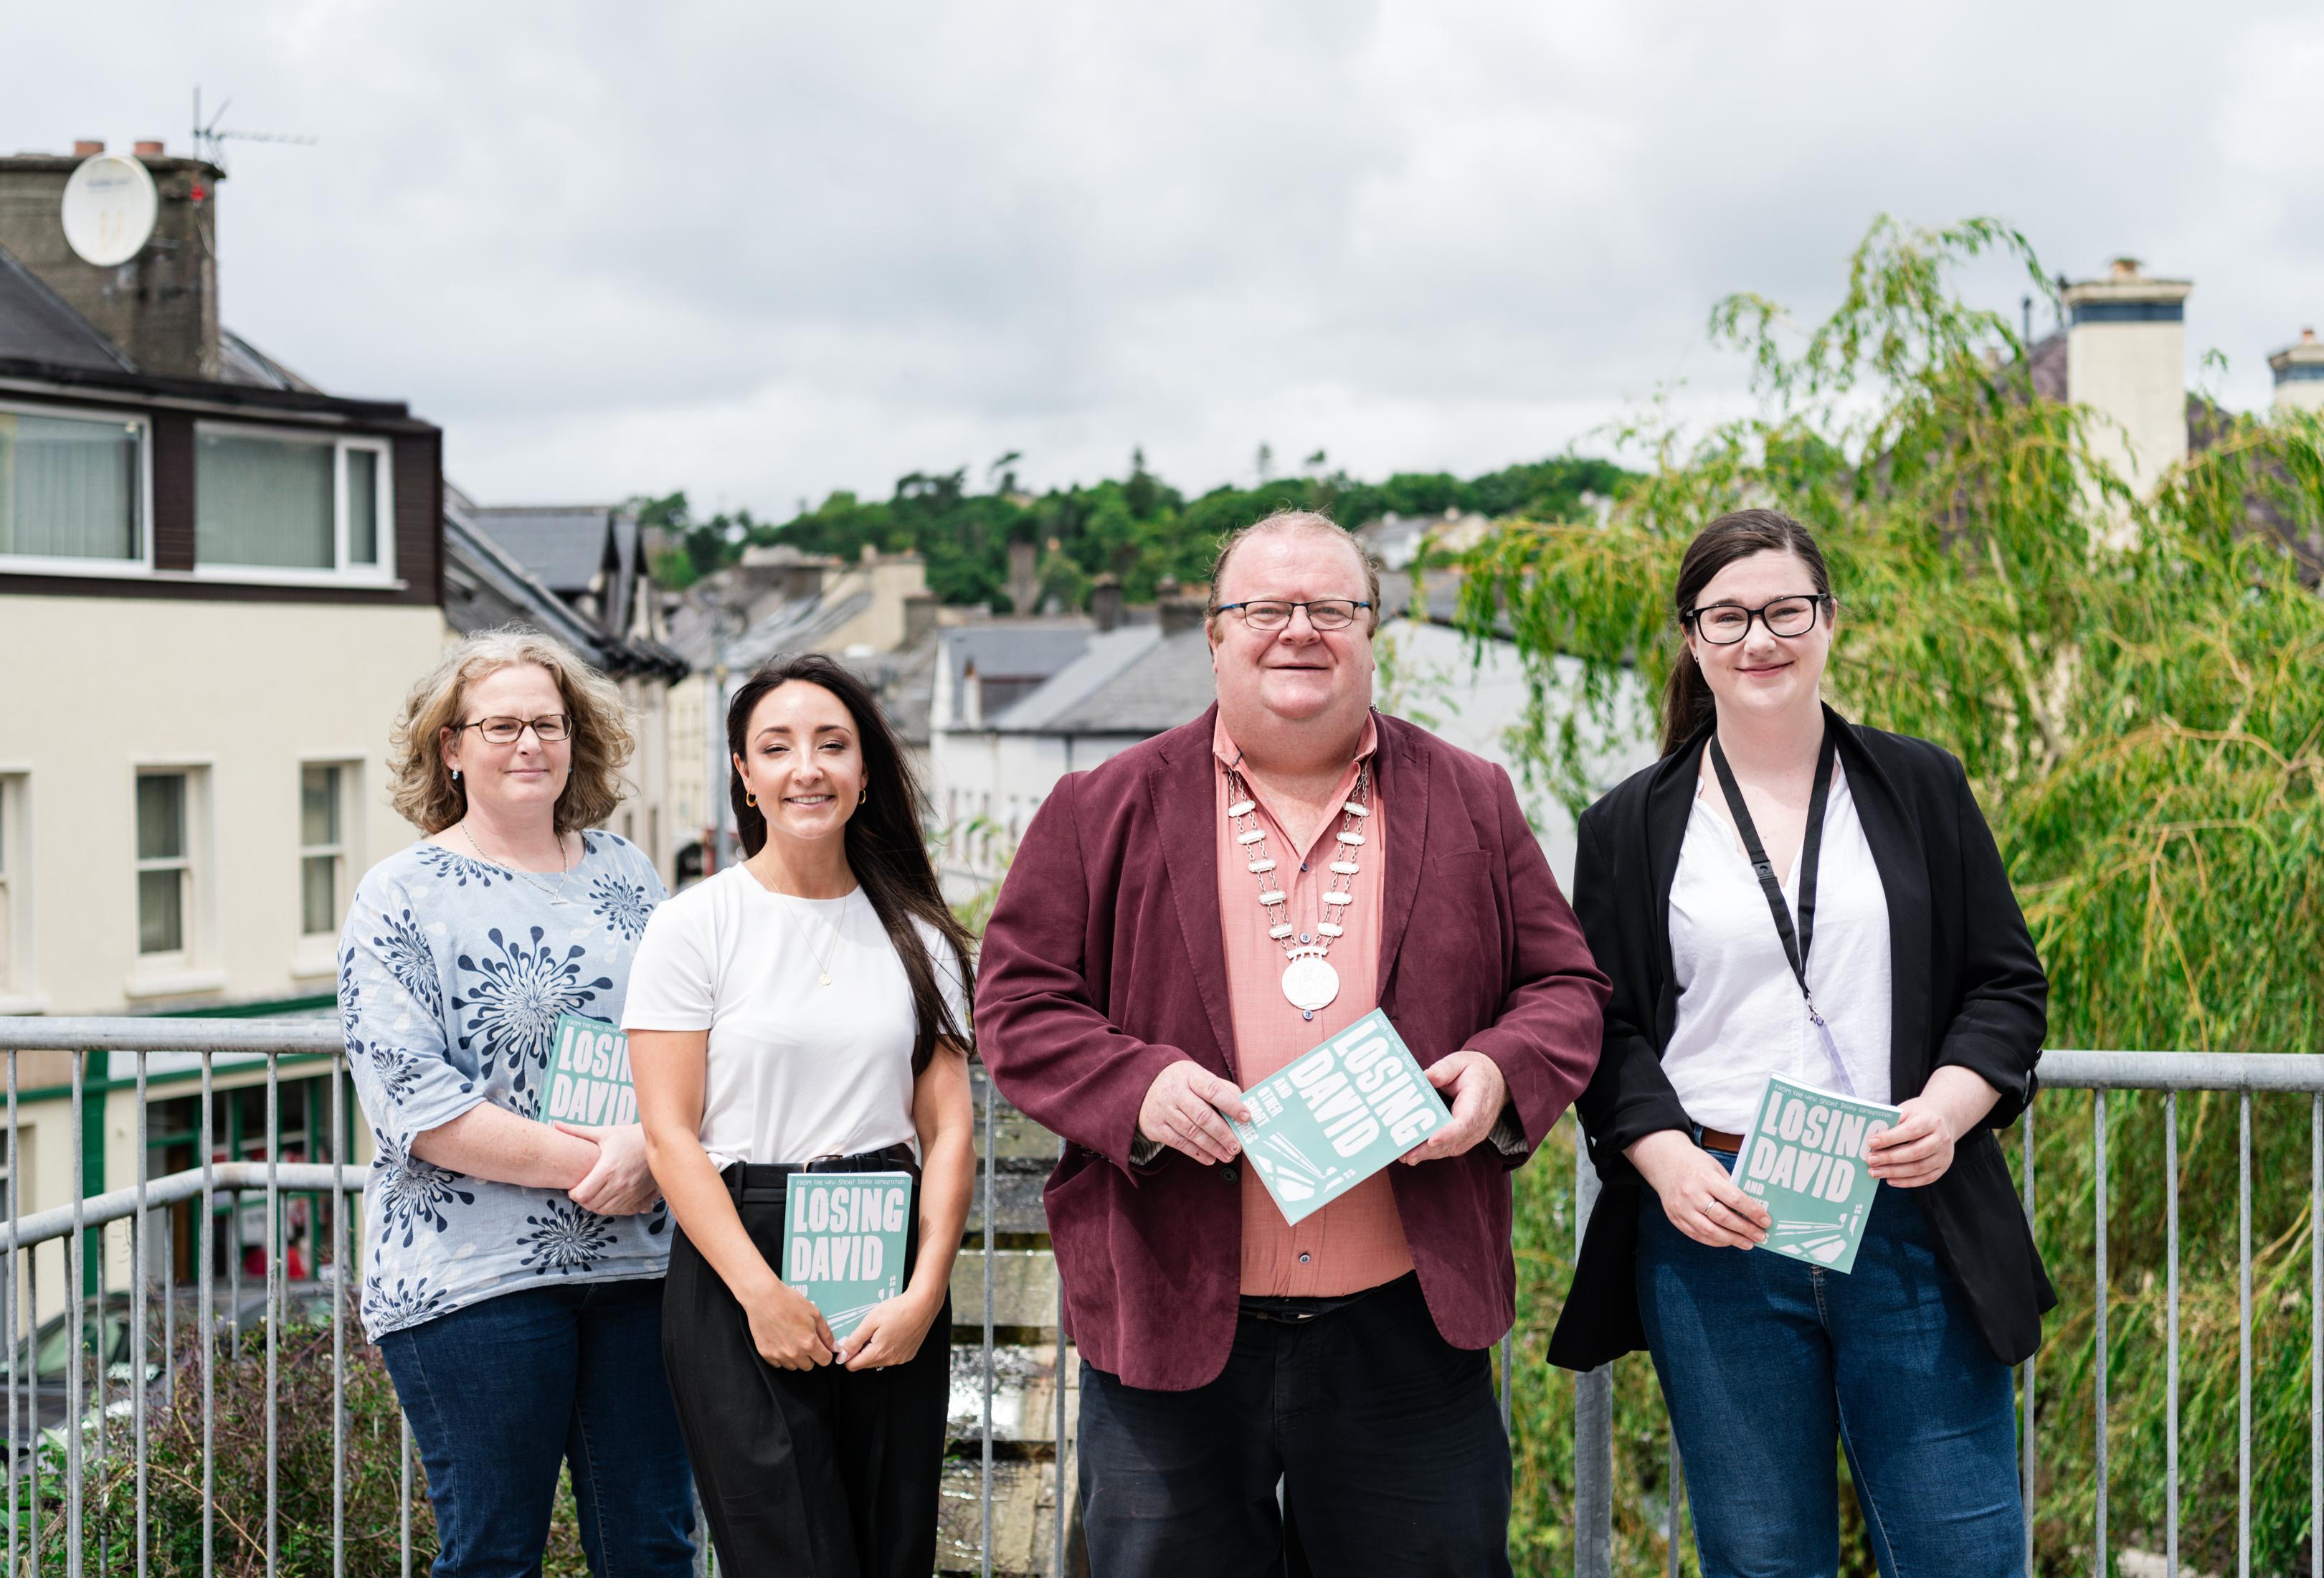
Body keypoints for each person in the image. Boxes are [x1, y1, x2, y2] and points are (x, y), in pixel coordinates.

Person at [975, 509, 1608, 1578]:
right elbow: (1019, 1004)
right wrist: (1137, 1087)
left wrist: (1501, 1074)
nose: (1299, 631)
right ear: (1216, 636)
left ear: (1373, 631)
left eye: (1331, 608)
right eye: (1265, 609)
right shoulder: (1102, 806)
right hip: (1171, 1319)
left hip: (1406, 1332)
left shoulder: (1473, 796)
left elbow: (1566, 987)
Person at [1545, 509, 2054, 1576]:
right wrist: (1664, 1156)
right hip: (1717, 1220)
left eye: (1785, 610)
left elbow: (2005, 986)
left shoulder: (1922, 787)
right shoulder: (1628, 824)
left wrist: (1952, 1108)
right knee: (1761, 1558)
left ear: (1830, 621)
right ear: (1692, 637)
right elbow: (1605, 1025)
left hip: (1907, 1201)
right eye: (1727, 617)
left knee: (1963, 1553)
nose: (1758, 639)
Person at [339, 628, 693, 1577]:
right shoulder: (399, 895)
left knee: (655, 1547)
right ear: (449, 747)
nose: (529, 742)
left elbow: (683, 1039)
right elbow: (415, 1102)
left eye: (549, 722)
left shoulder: (627, 870)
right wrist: (611, 1163)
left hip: (640, 1267)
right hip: (473, 1277)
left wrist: (656, 1150)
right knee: (496, 1554)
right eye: (501, 725)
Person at [625, 653, 976, 1578]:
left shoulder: (922, 937)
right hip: (742, 1251)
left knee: (887, 1548)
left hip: (887, 1250)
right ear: (744, 774)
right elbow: (670, 1136)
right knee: (789, 1549)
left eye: (832, 744)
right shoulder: (692, 926)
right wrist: (760, 1294)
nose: (805, 768)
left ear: (866, 773)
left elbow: (946, 1132)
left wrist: (925, 1290)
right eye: (775, 747)